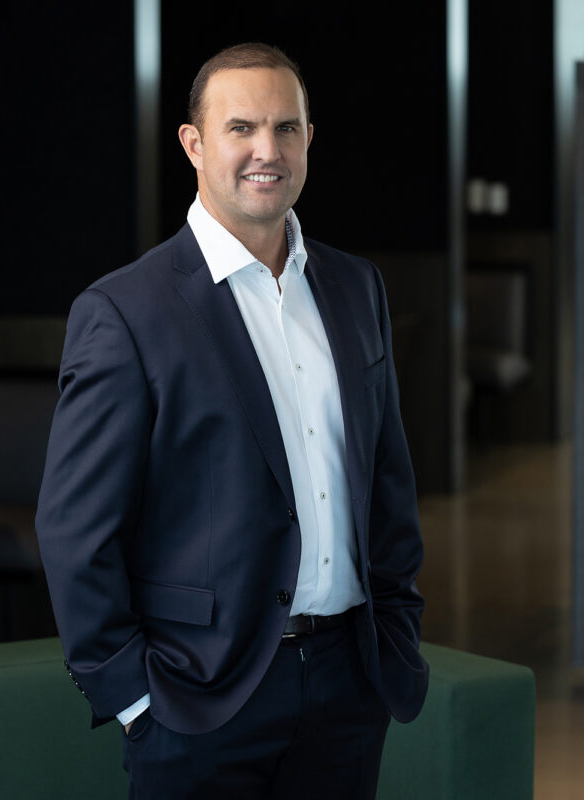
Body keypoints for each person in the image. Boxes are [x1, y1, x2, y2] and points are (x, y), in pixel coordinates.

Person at [35, 42, 427, 800]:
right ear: (194, 143)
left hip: (350, 683)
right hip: (199, 700)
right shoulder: (125, 311)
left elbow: (387, 483)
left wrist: (396, 631)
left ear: (309, 139)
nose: (265, 150)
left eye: (286, 128)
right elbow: (75, 532)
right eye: (241, 128)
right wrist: (136, 702)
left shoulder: (356, 288)